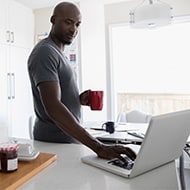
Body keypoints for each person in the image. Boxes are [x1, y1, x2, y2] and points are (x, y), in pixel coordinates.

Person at [28, 2, 136, 162]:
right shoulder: (45, 52)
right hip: (54, 144)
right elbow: (53, 107)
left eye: (77, 24)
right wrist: (98, 147)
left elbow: (57, 96)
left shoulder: (58, 53)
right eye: (68, 22)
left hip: (66, 140)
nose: (74, 29)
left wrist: (77, 100)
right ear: (53, 20)